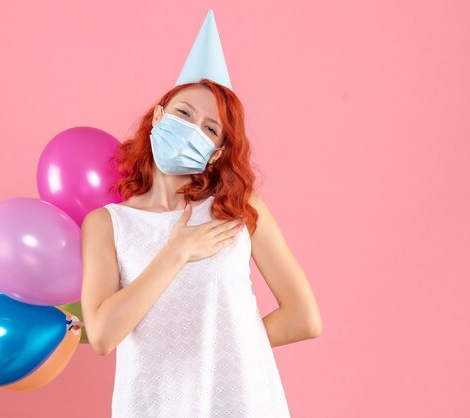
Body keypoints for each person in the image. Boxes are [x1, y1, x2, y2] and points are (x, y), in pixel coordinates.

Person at [81, 9, 321, 418]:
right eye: (184, 114)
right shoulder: (108, 224)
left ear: (218, 152)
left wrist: (221, 355)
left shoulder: (239, 212)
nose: (193, 130)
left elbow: (304, 318)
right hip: (152, 404)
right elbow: (103, 336)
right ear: (159, 117)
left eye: (211, 129)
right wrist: (177, 251)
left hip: (242, 402)